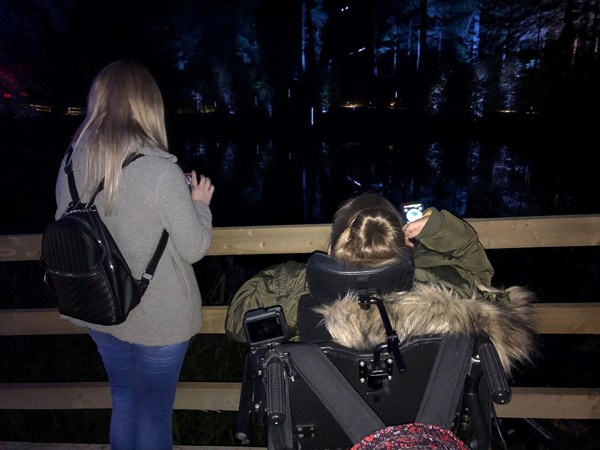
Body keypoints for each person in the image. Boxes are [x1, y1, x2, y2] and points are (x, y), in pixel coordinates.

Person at [53, 60, 215, 450]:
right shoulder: (159, 171)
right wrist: (201, 203)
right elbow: (195, 248)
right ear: (148, 106)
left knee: (124, 402)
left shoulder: (71, 162)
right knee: (154, 413)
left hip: (98, 307)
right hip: (159, 319)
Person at [225, 193, 535, 374]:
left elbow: (238, 322)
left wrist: (303, 274)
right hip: (418, 424)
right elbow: (479, 277)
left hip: (334, 425)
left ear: (331, 250)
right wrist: (441, 229)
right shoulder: (440, 290)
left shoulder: (306, 294)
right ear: (405, 248)